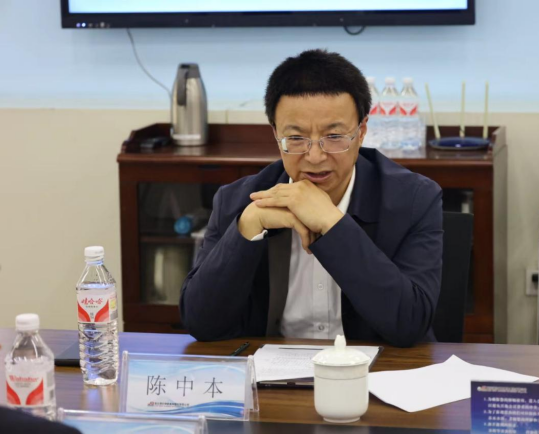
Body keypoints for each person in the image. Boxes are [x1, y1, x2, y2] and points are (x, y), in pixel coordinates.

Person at [180, 49, 443, 347]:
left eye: (334, 137)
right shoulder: (238, 200)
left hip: (376, 371)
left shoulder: (413, 200)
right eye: (296, 138)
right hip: (271, 373)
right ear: (276, 135)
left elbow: (410, 324)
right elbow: (201, 323)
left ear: (361, 132)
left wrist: (332, 223)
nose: (315, 157)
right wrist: (248, 226)